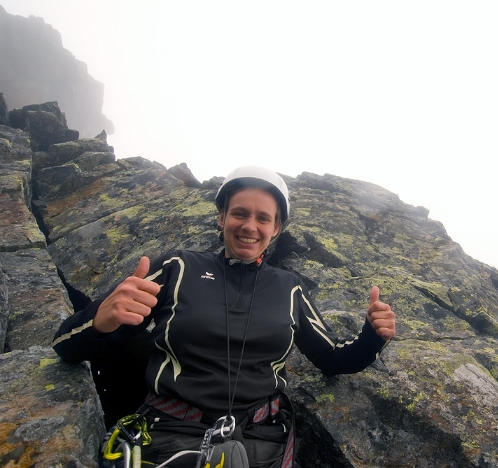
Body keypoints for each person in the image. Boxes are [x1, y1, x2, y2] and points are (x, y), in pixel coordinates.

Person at [52, 166, 396, 468]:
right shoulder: (178, 267)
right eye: (239, 213)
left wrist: (372, 337)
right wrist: (102, 320)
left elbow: (333, 357)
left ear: (276, 228)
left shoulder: (289, 288)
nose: (250, 226)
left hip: (261, 442)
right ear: (221, 218)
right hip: (168, 435)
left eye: (264, 218)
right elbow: (65, 345)